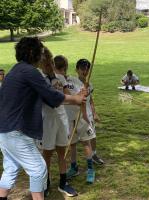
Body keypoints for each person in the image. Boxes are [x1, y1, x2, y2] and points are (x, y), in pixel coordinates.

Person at [0, 37, 86, 200]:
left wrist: (75, 96)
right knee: (39, 169)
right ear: (33, 53)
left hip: (5, 131)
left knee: (11, 168)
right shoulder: (29, 71)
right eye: (40, 52)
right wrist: (75, 99)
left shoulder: (16, 71)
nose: (43, 56)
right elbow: (51, 95)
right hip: (16, 132)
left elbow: (48, 95)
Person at [38, 49, 77, 197]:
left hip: (61, 119)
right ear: (41, 64)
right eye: (45, 63)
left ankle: (63, 182)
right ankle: (45, 183)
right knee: (47, 154)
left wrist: (81, 94)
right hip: (47, 120)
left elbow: (69, 96)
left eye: (51, 62)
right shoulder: (39, 79)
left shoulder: (60, 78)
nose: (49, 65)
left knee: (62, 152)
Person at [64, 59, 97, 184]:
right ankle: (74, 168)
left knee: (86, 143)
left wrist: (90, 115)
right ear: (76, 69)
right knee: (72, 144)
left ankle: (90, 170)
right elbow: (70, 97)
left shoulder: (88, 85)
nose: (85, 71)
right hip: (69, 117)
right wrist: (80, 93)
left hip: (81, 118)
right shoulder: (69, 81)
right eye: (82, 68)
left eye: (87, 68)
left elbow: (86, 101)